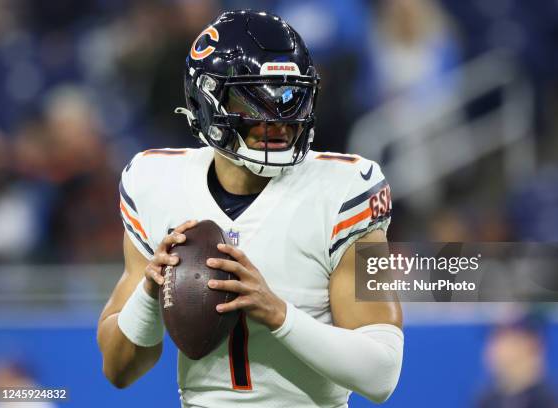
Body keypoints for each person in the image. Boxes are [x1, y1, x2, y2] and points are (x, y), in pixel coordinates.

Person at [97, 10, 403, 408]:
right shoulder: (156, 182)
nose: (277, 119)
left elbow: (382, 374)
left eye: (290, 96)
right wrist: (149, 294)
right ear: (204, 101)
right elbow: (118, 370)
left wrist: (278, 313)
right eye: (250, 97)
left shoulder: (346, 192)